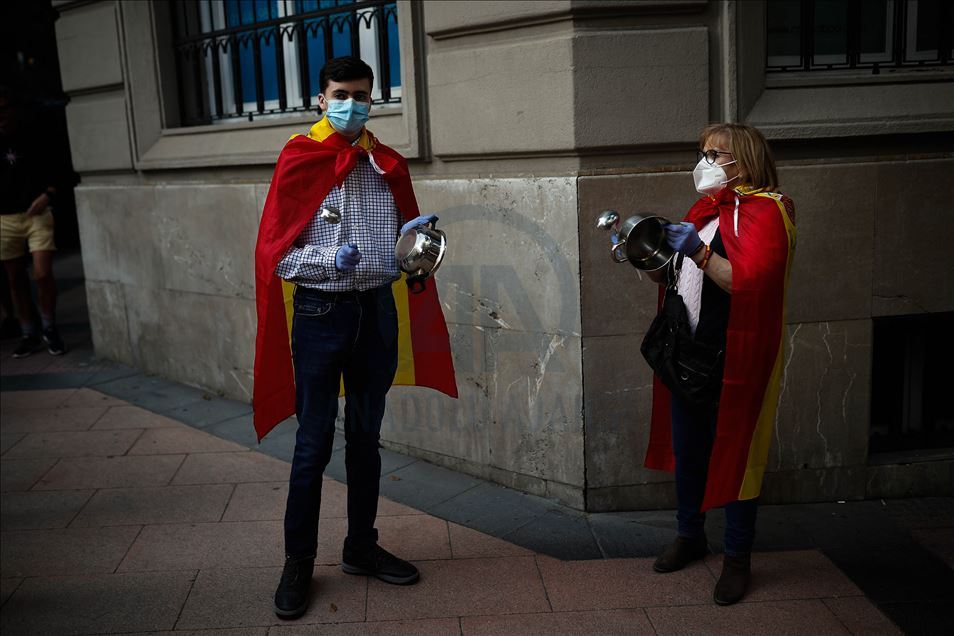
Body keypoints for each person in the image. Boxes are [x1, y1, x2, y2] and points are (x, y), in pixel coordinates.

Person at [253, 57, 456, 620]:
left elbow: (399, 242)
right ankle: (298, 562)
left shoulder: (383, 162)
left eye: (362, 95)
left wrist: (412, 243)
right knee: (313, 443)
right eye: (341, 93)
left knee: (367, 437)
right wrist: (326, 256)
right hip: (321, 313)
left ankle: (361, 547)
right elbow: (278, 253)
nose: (352, 103)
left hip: (376, 309)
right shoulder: (299, 158)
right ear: (320, 99)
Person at [643, 123, 796, 605]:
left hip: (734, 355)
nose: (705, 161)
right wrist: (650, 257)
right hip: (687, 349)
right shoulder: (707, 209)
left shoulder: (767, 212)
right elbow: (678, 276)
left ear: (745, 160)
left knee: (737, 454)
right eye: (703, 152)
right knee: (690, 451)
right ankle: (691, 535)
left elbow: (746, 284)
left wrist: (698, 250)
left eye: (716, 153)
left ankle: (737, 559)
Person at [0, 88, 66, 357]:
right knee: (15, 279)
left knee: (42, 274)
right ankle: (29, 332)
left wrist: (47, 195)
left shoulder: (33, 135)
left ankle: (49, 327)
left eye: (4, 108)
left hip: (36, 214)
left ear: (13, 109)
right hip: (4, 218)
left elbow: (59, 171)